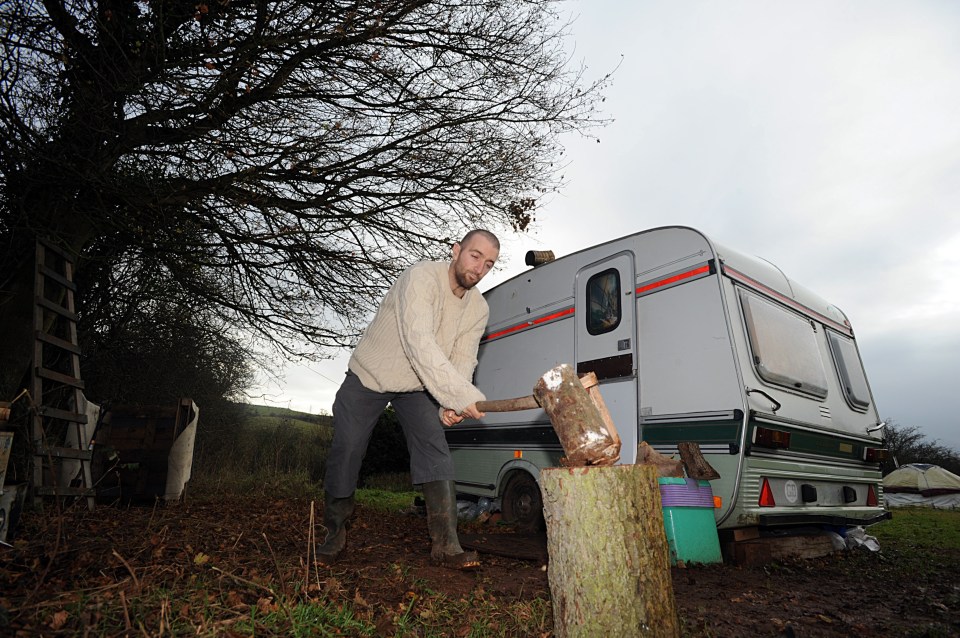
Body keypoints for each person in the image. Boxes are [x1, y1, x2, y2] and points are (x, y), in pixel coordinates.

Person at [319, 229, 500, 570]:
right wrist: (462, 395)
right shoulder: (420, 279)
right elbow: (420, 344)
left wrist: (451, 403)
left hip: (417, 386)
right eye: (475, 256)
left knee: (436, 449)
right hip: (371, 375)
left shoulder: (478, 309)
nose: (479, 268)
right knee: (348, 448)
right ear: (456, 250)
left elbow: (463, 358)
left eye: (488, 264)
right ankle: (335, 532)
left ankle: (446, 545)